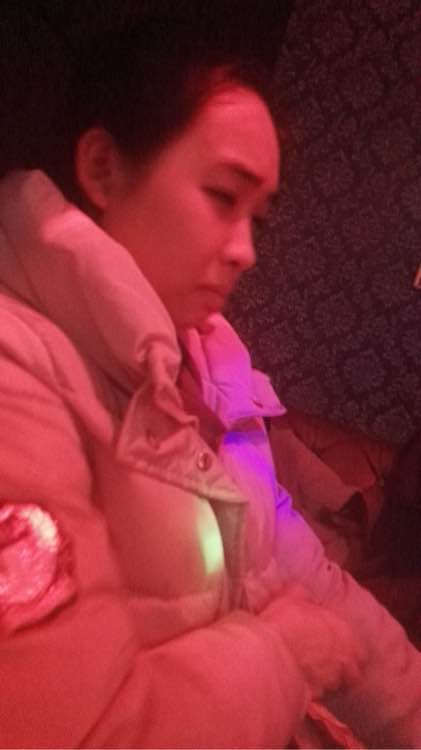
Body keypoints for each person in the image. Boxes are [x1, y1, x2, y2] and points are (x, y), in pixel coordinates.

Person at [0, 19, 420, 750]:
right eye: (223, 196)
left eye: (258, 216)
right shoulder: (18, 374)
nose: (246, 251)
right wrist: (283, 655)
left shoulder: (213, 363)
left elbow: (300, 568)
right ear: (103, 169)